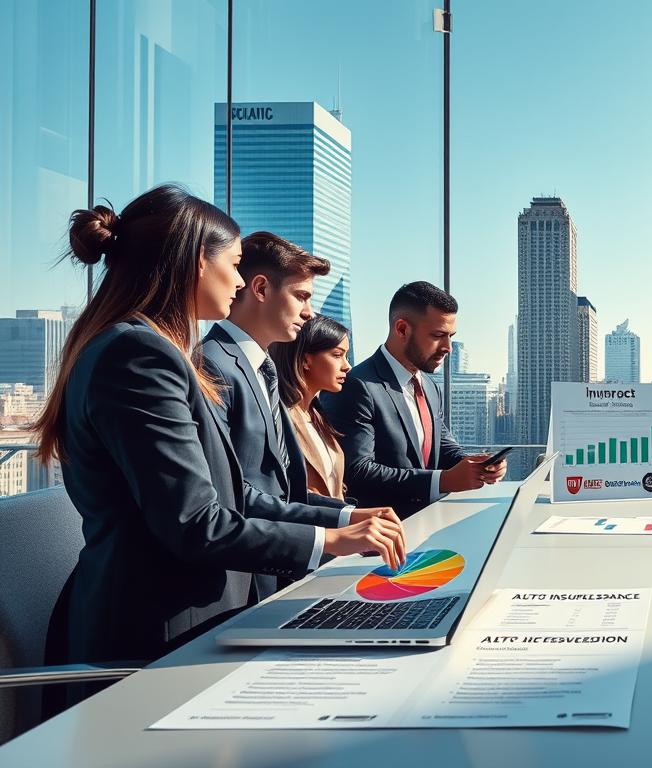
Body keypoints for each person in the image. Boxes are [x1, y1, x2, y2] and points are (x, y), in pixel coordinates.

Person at [34, 185, 406, 687]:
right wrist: (333, 539)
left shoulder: (150, 349)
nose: (237, 279)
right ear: (194, 264)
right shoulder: (140, 355)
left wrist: (342, 519)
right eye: (232, 264)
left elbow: (232, 492)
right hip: (155, 637)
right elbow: (194, 523)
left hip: (183, 619)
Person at [200, 232, 397, 598]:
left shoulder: (262, 369)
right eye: (302, 296)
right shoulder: (211, 366)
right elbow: (233, 493)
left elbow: (284, 490)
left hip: (262, 573)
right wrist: (332, 535)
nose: (309, 312)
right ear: (260, 289)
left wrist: (346, 516)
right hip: (228, 582)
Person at [322, 281, 506, 517]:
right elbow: (357, 472)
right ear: (402, 329)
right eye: (438, 335)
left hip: (427, 521)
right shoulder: (356, 386)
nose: (448, 347)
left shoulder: (429, 386)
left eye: (451, 336)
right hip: (381, 533)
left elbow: (441, 444)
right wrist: (443, 481)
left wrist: (475, 465)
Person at [271, 314, 353, 501]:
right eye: (337, 355)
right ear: (306, 360)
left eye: (346, 356)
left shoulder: (317, 415)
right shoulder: (280, 417)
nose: (347, 366)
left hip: (340, 525)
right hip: (311, 527)